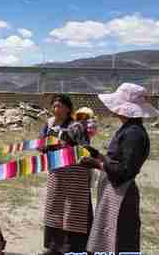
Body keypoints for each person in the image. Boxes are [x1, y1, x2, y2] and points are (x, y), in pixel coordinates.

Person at [83, 83, 157, 253]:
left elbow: (124, 170)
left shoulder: (134, 134)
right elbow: (117, 160)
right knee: (110, 233)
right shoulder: (128, 129)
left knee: (119, 236)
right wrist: (99, 156)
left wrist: (97, 164)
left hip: (121, 193)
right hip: (115, 191)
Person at [39, 94, 92, 255]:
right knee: (55, 206)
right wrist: (43, 147)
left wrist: (64, 146)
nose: (56, 109)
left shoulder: (76, 126)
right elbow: (42, 142)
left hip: (75, 174)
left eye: (60, 106)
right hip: (57, 172)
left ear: (68, 108)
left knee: (73, 208)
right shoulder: (49, 124)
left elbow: (85, 149)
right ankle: (55, 246)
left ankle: (74, 247)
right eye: (54, 106)